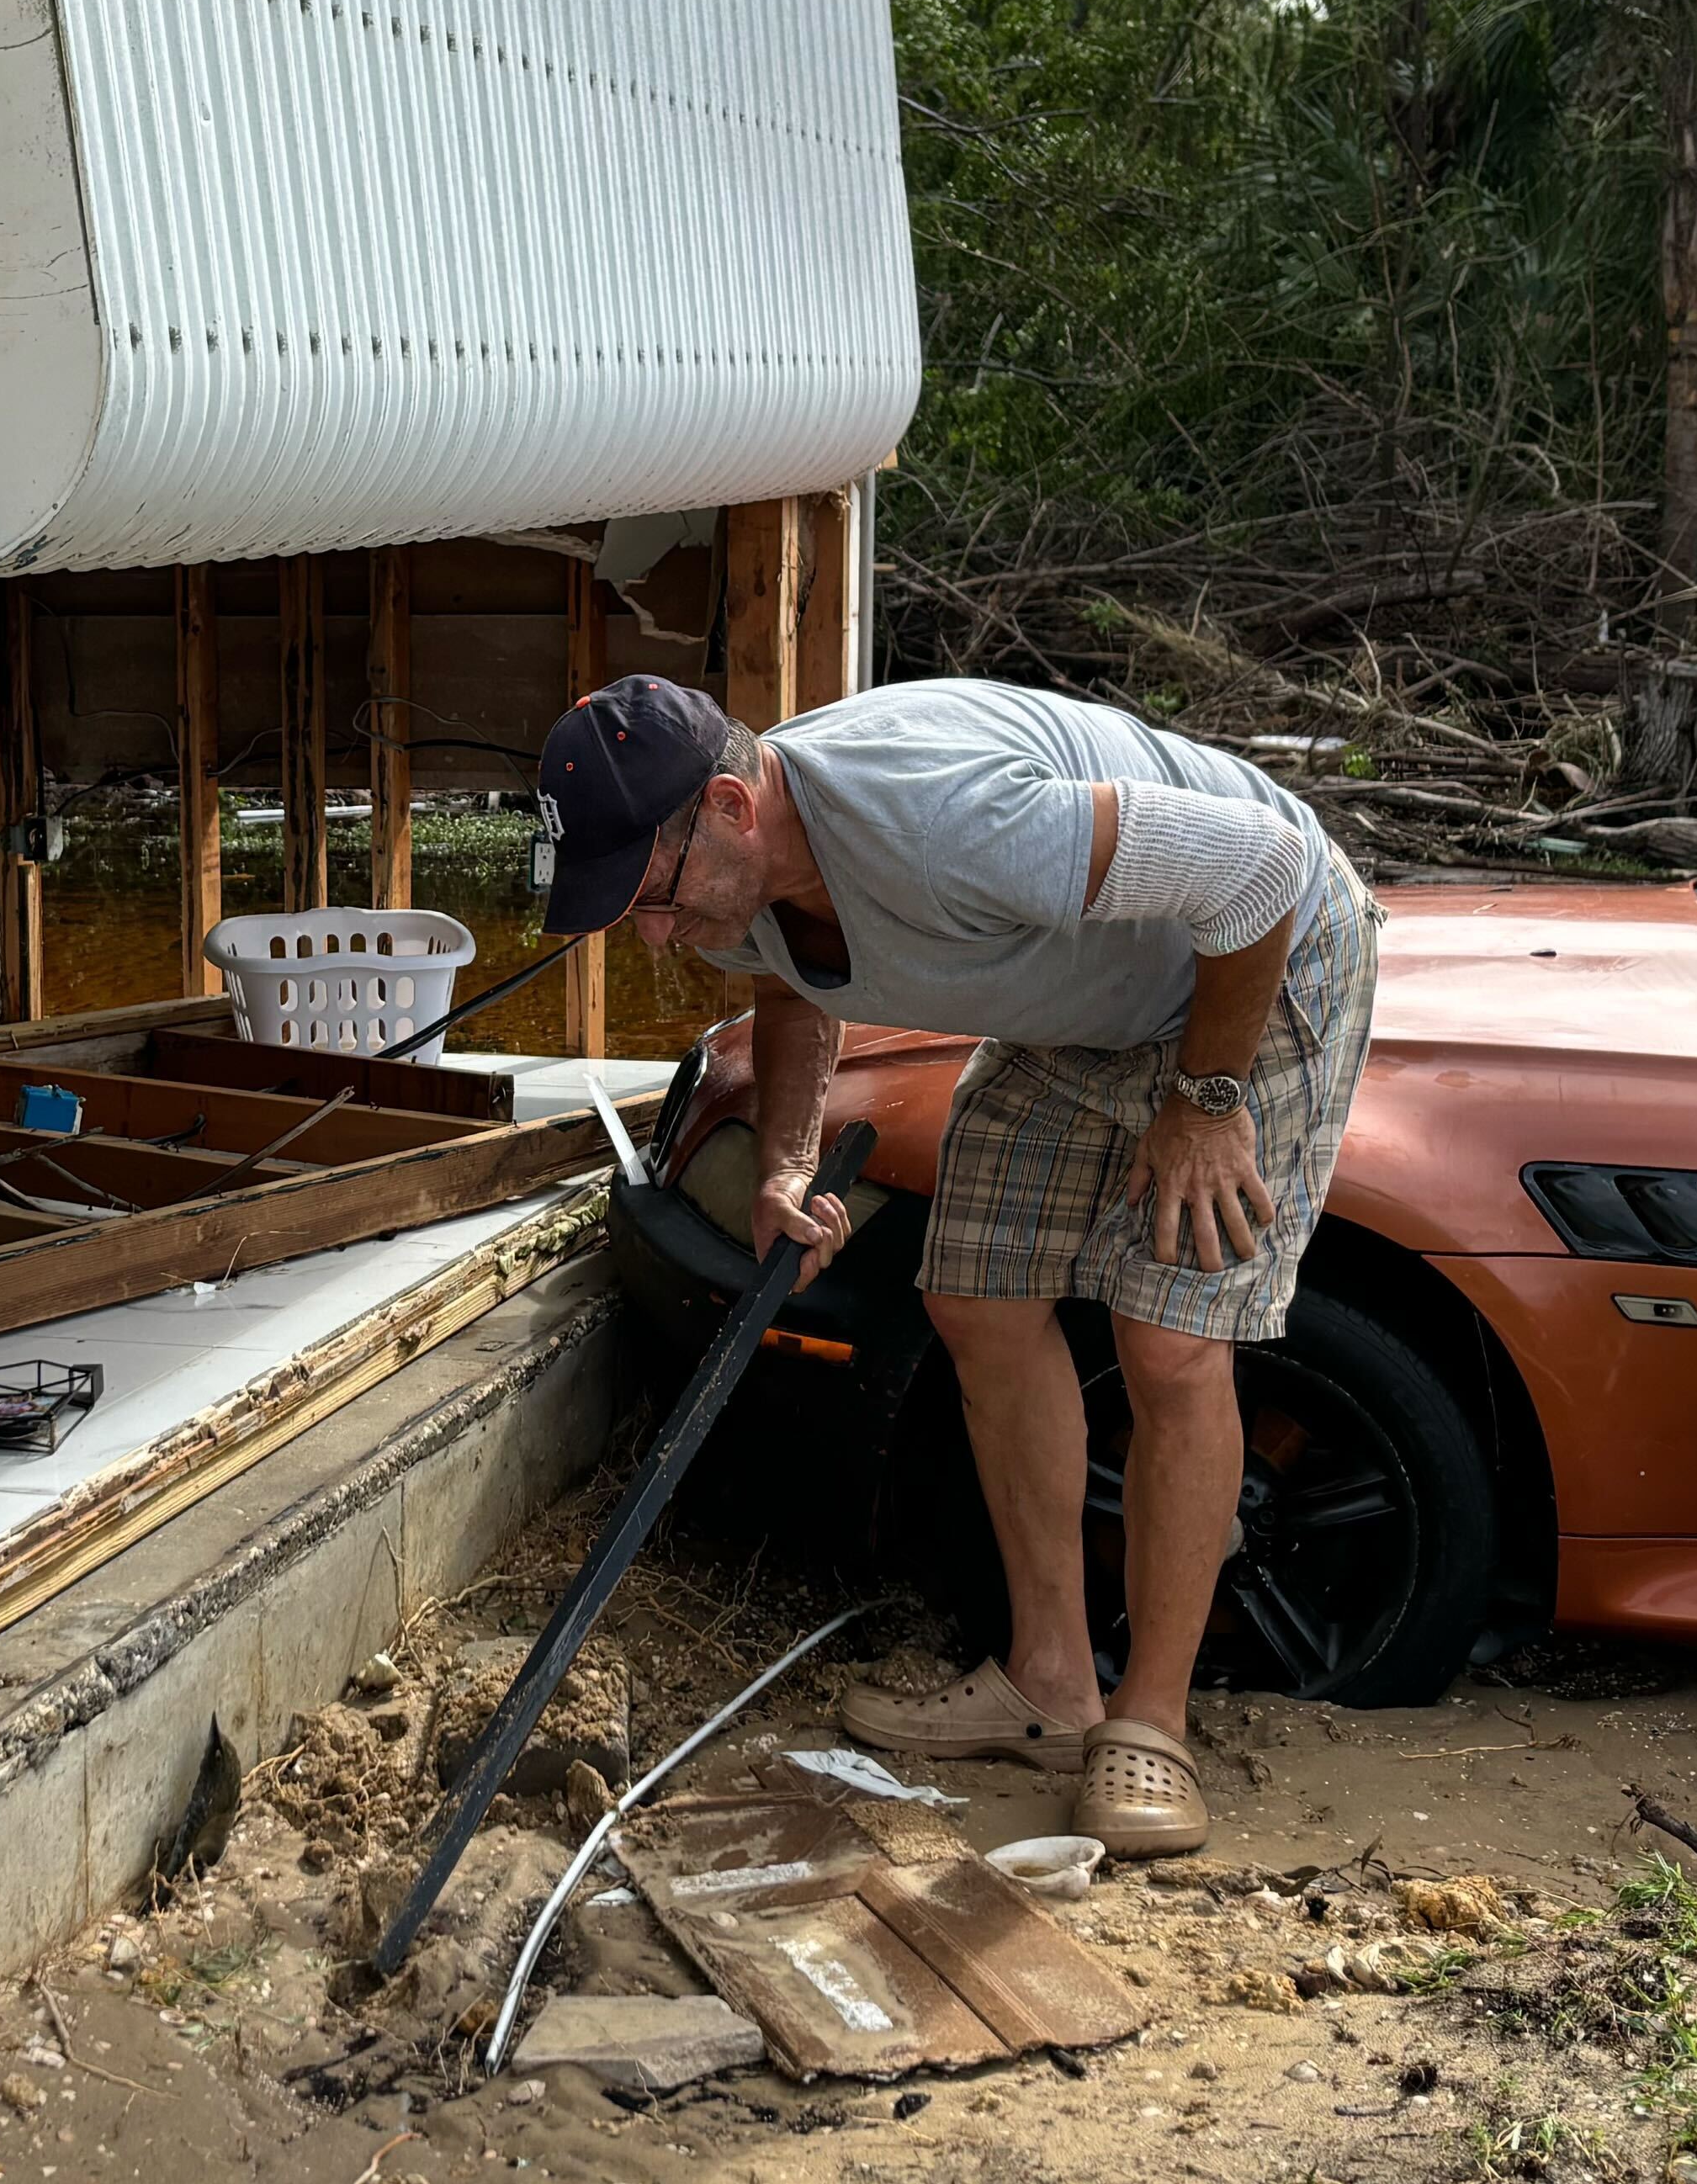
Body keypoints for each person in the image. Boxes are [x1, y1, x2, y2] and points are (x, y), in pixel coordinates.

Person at [531, 668, 1376, 1858]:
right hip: (1088, 1007)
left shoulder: (939, 818)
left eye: (653, 897)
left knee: (1172, 1340)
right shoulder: (736, 879)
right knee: (976, 1299)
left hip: (1256, 968)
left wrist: (1206, 1099)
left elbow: (1256, 871)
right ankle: (1051, 1686)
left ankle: (1150, 1726)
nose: (654, 933)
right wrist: (785, 1165)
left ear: (730, 806)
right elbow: (795, 986)